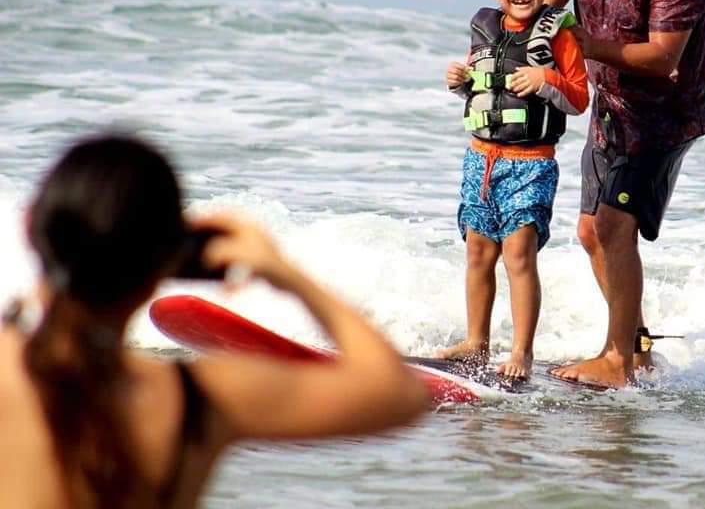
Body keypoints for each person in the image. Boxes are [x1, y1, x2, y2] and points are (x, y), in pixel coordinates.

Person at [0, 133, 427, 508]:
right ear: (167, 264)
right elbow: (398, 392)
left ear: (30, 229)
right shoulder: (201, 398)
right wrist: (285, 274)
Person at [544, 0, 705, 388]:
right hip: (610, 106)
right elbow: (550, 1)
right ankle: (635, 347)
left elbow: (664, 55)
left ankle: (617, 361)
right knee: (592, 232)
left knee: (616, 225)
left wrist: (584, 43)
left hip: (666, 113)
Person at [440, 0, 589, 380]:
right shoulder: (486, 31)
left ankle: (521, 351)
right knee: (478, 253)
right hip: (480, 161)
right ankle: (476, 342)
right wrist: (458, 82)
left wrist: (545, 79)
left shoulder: (557, 35)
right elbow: (480, 90)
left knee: (519, 254)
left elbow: (578, 99)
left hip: (531, 162)